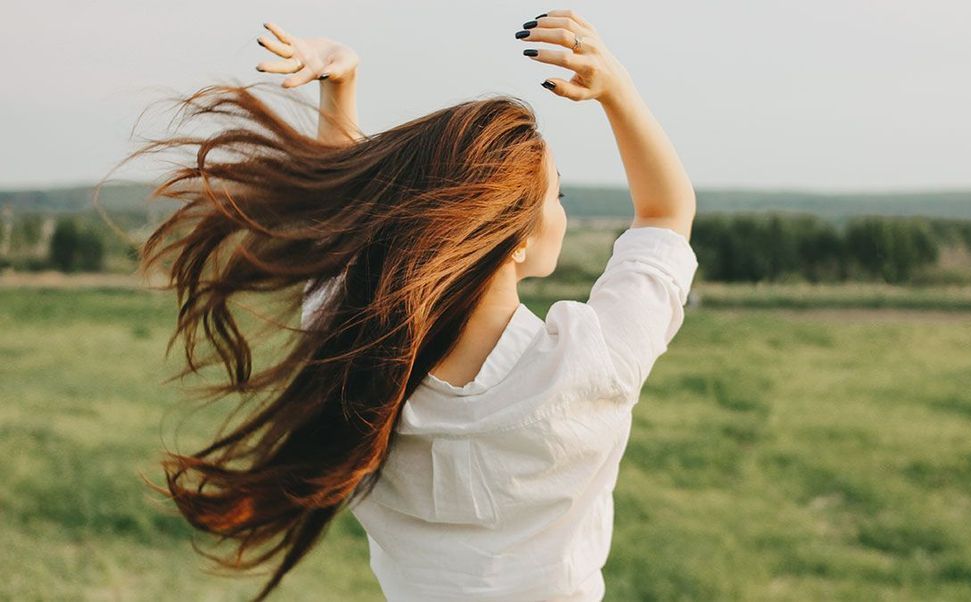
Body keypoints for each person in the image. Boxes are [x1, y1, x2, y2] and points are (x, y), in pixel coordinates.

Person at [133, 8, 697, 601]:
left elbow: (343, 235)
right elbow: (665, 214)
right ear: (516, 235)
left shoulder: (355, 362)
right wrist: (618, 90)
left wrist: (340, 88)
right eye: (554, 195)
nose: (561, 207)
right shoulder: (590, 363)